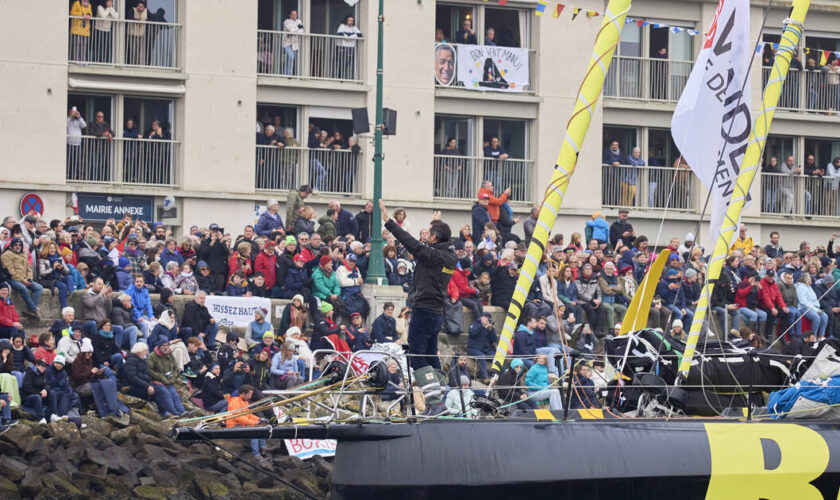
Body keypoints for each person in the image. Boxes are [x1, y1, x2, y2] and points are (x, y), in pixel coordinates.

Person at [226, 384, 271, 468]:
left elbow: (249, 415)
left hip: (241, 424)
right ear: (243, 393)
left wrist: (259, 420)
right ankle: (256, 454)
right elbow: (239, 417)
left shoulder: (245, 402)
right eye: (249, 394)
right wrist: (254, 423)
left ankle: (263, 447)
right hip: (233, 426)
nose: (251, 396)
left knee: (260, 427)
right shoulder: (235, 402)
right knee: (254, 431)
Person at [1, 238, 43, 319]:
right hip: (13, 279)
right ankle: (34, 309)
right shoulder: (6, 255)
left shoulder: (22, 255)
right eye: (16, 245)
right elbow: (10, 271)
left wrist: (29, 278)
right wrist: (22, 280)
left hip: (25, 279)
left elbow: (29, 268)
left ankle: (30, 309)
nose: (18, 246)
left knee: (39, 288)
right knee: (23, 288)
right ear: (12, 245)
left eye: (20, 245)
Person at [147, 338, 186, 417]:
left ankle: (182, 412)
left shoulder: (170, 354)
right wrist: (161, 377)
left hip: (169, 381)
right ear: (159, 346)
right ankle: (174, 413)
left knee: (174, 395)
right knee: (166, 394)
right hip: (157, 382)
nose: (166, 347)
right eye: (163, 345)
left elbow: (174, 368)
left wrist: (173, 377)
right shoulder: (152, 356)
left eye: (167, 345)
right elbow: (149, 370)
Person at [282, 10, 304, 75]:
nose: (294, 16)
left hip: (295, 44)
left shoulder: (299, 21)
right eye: (293, 14)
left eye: (295, 14)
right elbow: (290, 30)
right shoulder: (286, 21)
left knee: (289, 60)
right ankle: (290, 74)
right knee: (291, 57)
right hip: (287, 43)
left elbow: (301, 31)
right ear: (290, 15)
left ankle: (287, 74)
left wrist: (295, 29)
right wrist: (298, 28)